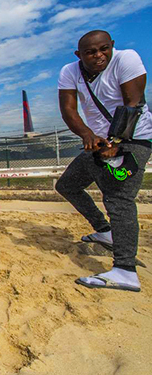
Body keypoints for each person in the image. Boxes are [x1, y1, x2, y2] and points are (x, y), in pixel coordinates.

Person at [56, 30, 152, 292]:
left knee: (118, 199)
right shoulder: (69, 71)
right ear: (79, 55)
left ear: (111, 46)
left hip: (133, 140)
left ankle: (125, 270)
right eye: (90, 52)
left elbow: (133, 102)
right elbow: (68, 108)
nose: (99, 55)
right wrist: (87, 134)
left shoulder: (126, 59)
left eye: (104, 49)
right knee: (67, 185)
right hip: (98, 143)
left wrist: (118, 143)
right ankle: (104, 230)